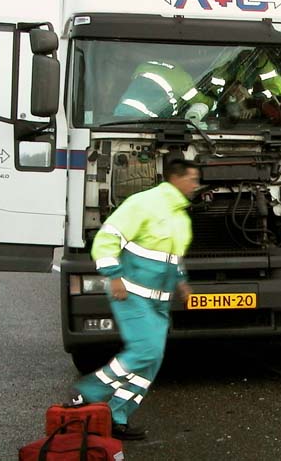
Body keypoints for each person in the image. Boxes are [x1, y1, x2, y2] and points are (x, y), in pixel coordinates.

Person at [66, 159, 199, 440]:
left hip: (159, 301)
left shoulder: (180, 215)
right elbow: (106, 238)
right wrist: (113, 275)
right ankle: (88, 392)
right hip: (131, 292)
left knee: (149, 363)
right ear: (176, 179)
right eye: (192, 179)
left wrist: (181, 282)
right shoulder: (144, 203)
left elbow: (171, 256)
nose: (195, 186)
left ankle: (116, 416)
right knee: (145, 352)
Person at [114, 60, 213, 121]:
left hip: (119, 114)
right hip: (146, 120)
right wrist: (213, 103)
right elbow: (199, 100)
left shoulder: (145, 64)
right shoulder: (181, 77)